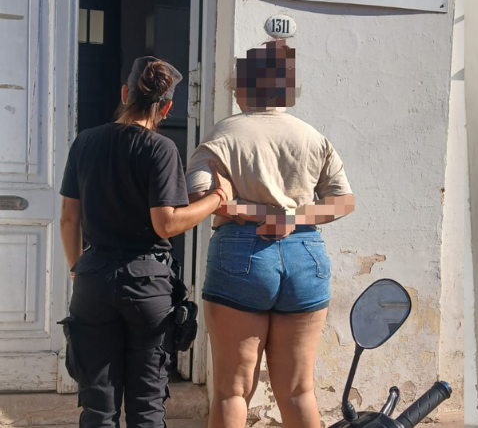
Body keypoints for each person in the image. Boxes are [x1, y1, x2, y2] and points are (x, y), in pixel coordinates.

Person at [185, 40, 356, 428]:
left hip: (240, 254)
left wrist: (245, 208)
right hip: (305, 253)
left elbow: (197, 196)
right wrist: (292, 217)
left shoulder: (224, 133)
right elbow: (343, 201)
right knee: (299, 391)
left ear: (242, 87)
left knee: (232, 391)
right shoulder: (312, 137)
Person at [59, 57, 233, 428]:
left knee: (97, 408)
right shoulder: (161, 149)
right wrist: (217, 199)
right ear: (167, 108)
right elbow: (166, 224)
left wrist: (77, 270)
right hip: (147, 283)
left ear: (125, 93)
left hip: (93, 279)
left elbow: (69, 219)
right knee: (147, 408)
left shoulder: (85, 142)